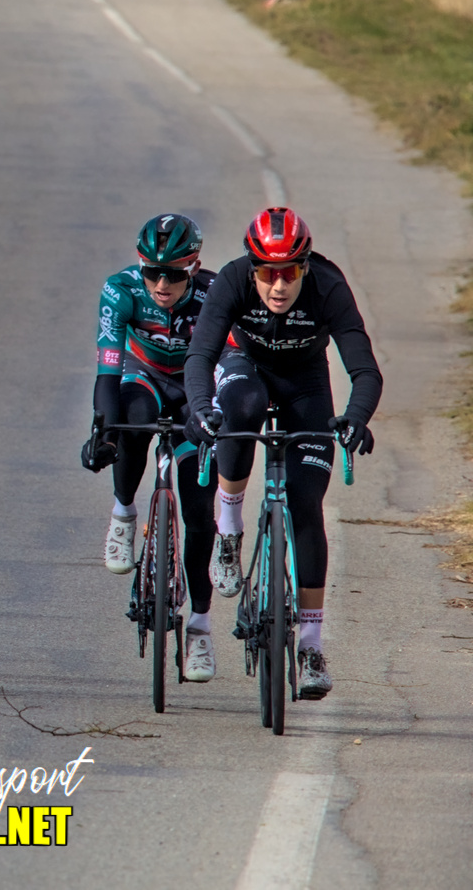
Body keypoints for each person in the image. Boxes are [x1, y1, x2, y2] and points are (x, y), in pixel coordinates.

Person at [184, 209, 381, 702]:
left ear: (305, 267)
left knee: (305, 502)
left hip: (304, 383)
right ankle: (228, 532)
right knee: (241, 407)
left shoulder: (329, 287)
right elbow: (201, 356)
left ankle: (312, 646)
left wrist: (356, 417)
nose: (278, 285)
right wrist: (202, 408)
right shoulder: (232, 280)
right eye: (268, 273)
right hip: (244, 365)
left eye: (289, 272)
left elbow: (365, 370)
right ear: (252, 269)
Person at [83, 214, 221, 683]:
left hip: (195, 388)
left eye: (176, 274)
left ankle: (200, 628)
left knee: (200, 511)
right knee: (132, 419)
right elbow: (107, 370)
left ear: (195, 268)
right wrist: (102, 432)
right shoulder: (120, 289)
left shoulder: (215, 293)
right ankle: (123, 513)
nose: (162, 284)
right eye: (152, 272)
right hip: (142, 378)